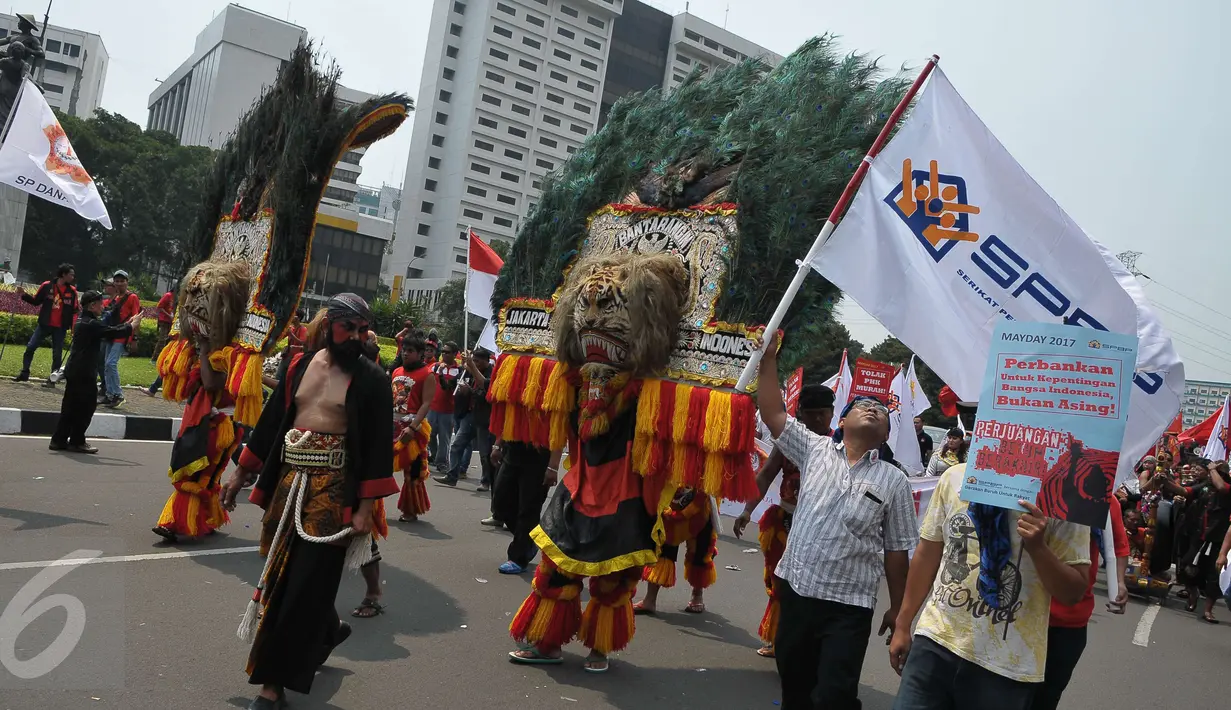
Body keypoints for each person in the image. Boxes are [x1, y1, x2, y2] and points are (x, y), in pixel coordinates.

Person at [221, 293, 397, 710]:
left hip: (333, 493)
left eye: (361, 330)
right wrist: (241, 473)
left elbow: (377, 448)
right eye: (347, 328)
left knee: (301, 587)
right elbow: (270, 424)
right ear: (328, 326)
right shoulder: (299, 364)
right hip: (288, 486)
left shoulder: (372, 380)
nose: (355, 337)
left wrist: (367, 508)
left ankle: (272, 686)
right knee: (286, 577)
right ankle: (327, 629)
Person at [755, 334, 917, 710]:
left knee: (835, 695)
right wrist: (767, 360)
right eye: (862, 405)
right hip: (797, 592)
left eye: (881, 411)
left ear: (887, 434)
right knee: (794, 684)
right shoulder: (814, 449)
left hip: (850, 607)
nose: (873, 409)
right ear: (841, 421)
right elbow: (773, 413)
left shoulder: (894, 480)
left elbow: (896, 552)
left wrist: (899, 610)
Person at [888, 461, 1090, 710]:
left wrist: (1038, 547)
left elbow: (1073, 592)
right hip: (934, 643)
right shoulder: (955, 477)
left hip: (1005, 667)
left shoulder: (1064, 496)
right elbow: (928, 552)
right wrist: (903, 623)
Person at [733, 384, 836, 658]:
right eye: (809, 414)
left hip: (820, 529)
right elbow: (765, 475)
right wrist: (747, 510)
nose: (816, 421)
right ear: (799, 413)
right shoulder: (788, 442)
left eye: (822, 414)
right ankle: (779, 637)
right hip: (785, 521)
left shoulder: (840, 447)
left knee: (812, 588)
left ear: (832, 414)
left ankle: (805, 643)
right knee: (780, 582)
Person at [1031, 496, 1129, 710]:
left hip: (1066, 621)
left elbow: (1118, 547)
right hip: (1019, 615)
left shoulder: (1103, 498)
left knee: (1045, 697)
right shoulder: (1016, 485)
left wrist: (1119, 582)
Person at [48, 291, 141, 452]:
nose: (102, 306)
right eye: (99, 304)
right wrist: (132, 326)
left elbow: (108, 328)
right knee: (86, 407)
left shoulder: (84, 321)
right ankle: (77, 441)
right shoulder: (90, 324)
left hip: (75, 369)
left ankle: (59, 440)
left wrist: (128, 323)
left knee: (70, 407)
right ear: (92, 305)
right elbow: (111, 332)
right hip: (84, 372)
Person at [1161, 459, 1231, 623]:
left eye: (1216, 473)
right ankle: (1193, 592)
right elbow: (1185, 491)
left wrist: (1213, 468)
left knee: (1214, 575)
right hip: (1199, 536)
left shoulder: (1227, 488)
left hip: (1218, 539)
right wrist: (1166, 481)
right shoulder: (1205, 487)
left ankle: (1208, 610)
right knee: (1186, 566)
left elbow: (1221, 487)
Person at [633, 485, 718, 616]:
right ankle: (650, 599)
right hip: (674, 489)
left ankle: (697, 594)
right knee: (664, 543)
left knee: (700, 549)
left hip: (703, 494)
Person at [490, 439, 556, 574]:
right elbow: (506, 419)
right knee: (500, 502)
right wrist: (497, 445)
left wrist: (553, 467)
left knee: (528, 508)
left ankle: (518, 557)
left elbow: (559, 432)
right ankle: (528, 540)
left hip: (539, 454)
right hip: (513, 448)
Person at [434, 347, 494, 489]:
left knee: (485, 453)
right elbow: (450, 386)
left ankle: (486, 481)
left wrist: (470, 391)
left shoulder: (492, 374)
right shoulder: (466, 371)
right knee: (457, 445)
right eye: (473, 361)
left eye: (477, 361)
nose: (474, 364)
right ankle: (452, 475)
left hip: (485, 417)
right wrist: (442, 376)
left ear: (486, 361)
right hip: (469, 415)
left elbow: (488, 395)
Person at [392, 334, 436, 523]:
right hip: (392, 425)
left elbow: (426, 404)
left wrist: (412, 427)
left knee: (413, 472)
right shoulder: (396, 371)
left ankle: (410, 510)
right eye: (404, 350)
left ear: (420, 354)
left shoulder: (427, 374)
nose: (405, 354)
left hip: (413, 428)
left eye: (410, 351)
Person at [13, 263, 77, 385]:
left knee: (57, 354)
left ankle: (52, 379)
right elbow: (36, 301)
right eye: (71, 275)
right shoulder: (47, 286)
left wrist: (74, 328)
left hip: (60, 327)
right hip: (44, 324)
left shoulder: (72, 291)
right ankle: (24, 373)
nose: (73, 277)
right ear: (63, 274)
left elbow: (75, 310)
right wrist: (23, 294)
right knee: (30, 347)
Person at [99, 270, 141, 408]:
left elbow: (137, 318)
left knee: (111, 363)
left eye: (122, 281)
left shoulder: (132, 297)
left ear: (127, 282)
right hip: (112, 333)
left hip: (123, 334)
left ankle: (118, 394)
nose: (119, 283)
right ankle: (110, 394)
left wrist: (134, 338)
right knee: (106, 365)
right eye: (116, 281)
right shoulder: (115, 298)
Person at [427, 340, 461, 472]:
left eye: (447, 352)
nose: (444, 354)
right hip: (432, 407)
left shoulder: (459, 370)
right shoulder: (435, 366)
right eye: (443, 352)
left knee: (444, 437)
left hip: (448, 410)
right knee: (429, 434)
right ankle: (434, 455)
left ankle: (441, 462)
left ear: (454, 354)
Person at [145, 286, 176, 395]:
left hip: (172, 323)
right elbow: (159, 306)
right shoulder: (168, 296)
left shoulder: (178, 298)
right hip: (164, 320)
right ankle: (154, 359)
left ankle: (154, 388)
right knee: (162, 341)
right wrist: (169, 315)